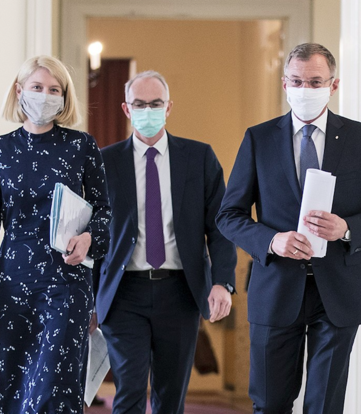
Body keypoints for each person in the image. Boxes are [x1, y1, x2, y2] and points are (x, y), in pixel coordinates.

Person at [216, 43, 361, 414]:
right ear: (285, 83)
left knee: (323, 406)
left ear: (333, 86)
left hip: (338, 294)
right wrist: (272, 240)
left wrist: (346, 227)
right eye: (297, 81)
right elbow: (229, 215)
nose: (305, 89)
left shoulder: (360, 138)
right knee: (269, 404)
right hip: (275, 290)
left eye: (315, 81)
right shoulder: (259, 138)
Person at [0, 55, 111, 414]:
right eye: (38, 87)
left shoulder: (82, 146)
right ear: (19, 91)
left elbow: (106, 211)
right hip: (12, 286)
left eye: (54, 89)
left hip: (67, 283)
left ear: (64, 97)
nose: (45, 95)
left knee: (53, 390)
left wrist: (90, 238)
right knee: (14, 389)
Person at [94, 70, 237, 414]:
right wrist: (88, 295)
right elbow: (92, 232)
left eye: (155, 103)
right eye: (139, 104)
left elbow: (220, 226)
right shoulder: (104, 162)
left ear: (169, 107)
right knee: (128, 388)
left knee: (170, 394)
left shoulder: (199, 158)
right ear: (126, 109)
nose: (148, 110)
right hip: (124, 292)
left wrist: (222, 282)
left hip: (180, 291)